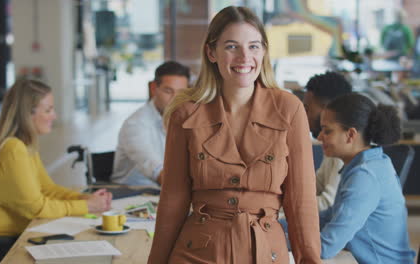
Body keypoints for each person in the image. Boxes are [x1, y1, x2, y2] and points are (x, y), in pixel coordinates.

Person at [148, 6, 321, 264]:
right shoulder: (185, 114)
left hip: (266, 252)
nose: (244, 57)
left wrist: (310, 260)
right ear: (211, 52)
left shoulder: (289, 108)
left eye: (253, 46)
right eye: (231, 46)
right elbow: (173, 199)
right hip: (197, 253)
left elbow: (301, 201)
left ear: (263, 51)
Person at [0, 79, 112, 261]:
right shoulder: (12, 149)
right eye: (48, 110)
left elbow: (47, 189)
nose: (54, 116)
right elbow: (36, 209)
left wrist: (83, 198)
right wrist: (86, 206)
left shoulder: (24, 146)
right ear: (27, 114)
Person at [317, 93, 416, 263]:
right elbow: (329, 217)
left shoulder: (365, 176)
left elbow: (326, 246)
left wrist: (275, 239)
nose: (319, 137)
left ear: (350, 134)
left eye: (327, 131)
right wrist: (280, 226)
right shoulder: (368, 163)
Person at [111, 61, 190, 186]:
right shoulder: (135, 125)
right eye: (169, 91)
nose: (176, 100)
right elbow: (159, 173)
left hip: (160, 192)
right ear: (154, 88)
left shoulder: (185, 121)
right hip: (130, 194)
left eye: (181, 93)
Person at [303, 71, 352, 211]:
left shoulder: (345, 147)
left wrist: (280, 212)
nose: (303, 116)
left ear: (328, 109)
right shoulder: (331, 144)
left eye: (307, 109)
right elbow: (314, 187)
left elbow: (328, 203)